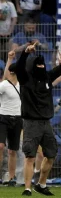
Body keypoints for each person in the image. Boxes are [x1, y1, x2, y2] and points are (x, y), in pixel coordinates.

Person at [19, 43, 61, 196]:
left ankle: (41, 184)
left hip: (46, 123)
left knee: (51, 155)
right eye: (38, 64)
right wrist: (25, 53)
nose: (41, 66)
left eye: (42, 64)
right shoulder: (25, 79)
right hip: (31, 122)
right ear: (32, 66)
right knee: (30, 156)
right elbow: (20, 66)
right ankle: (27, 188)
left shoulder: (47, 77)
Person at [0, 51, 21, 187]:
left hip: (17, 118)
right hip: (3, 117)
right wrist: (9, 59)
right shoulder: (4, 85)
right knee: (0, 146)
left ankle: (11, 177)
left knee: (13, 150)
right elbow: (5, 77)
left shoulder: (22, 86)